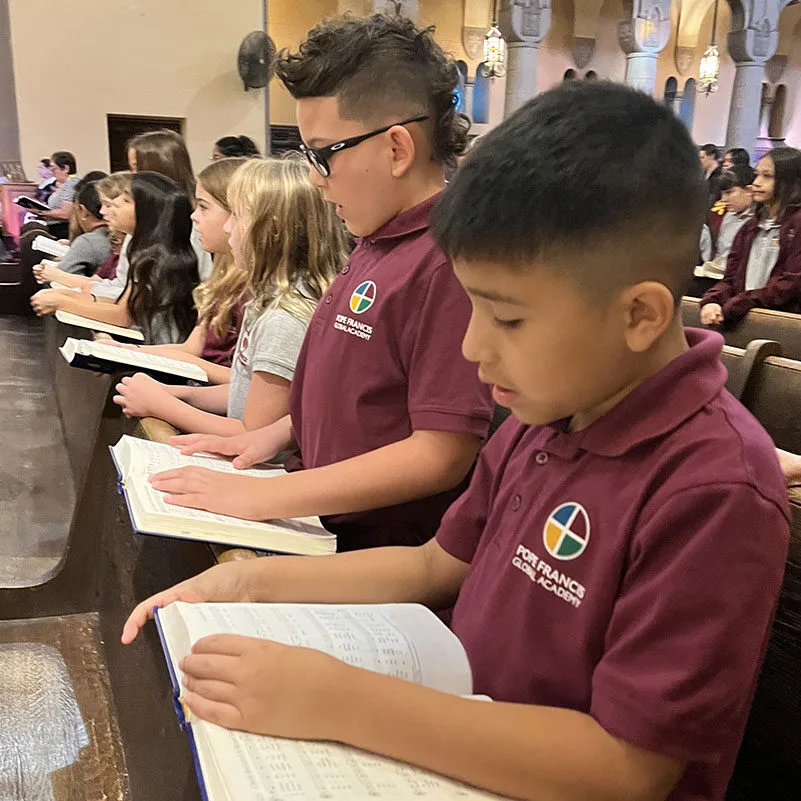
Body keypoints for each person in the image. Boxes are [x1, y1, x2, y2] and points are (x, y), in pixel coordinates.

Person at [122, 80, 789, 801]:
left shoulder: (714, 488)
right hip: (465, 734)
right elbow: (433, 564)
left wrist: (343, 702)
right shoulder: (545, 416)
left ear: (639, 316)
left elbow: (628, 767)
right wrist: (249, 583)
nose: (472, 348)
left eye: (507, 319)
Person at [147, 14, 493, 552]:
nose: (313, 176)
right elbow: (352, 395)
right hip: (317, 512)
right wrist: (267, 439)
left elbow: (441, 452)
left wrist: (267, 496)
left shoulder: (446, 263)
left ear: (397, 149)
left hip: (374, 548)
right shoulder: (374, 241)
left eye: (323, 153)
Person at [113, 156, 348, 435]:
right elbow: (242, 391)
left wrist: (162, 405)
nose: (227, 227)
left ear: (271, 229)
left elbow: (252, 434)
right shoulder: (265, 299)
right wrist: (174, 393)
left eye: (236, 216)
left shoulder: (284, 319)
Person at [31, 172, 199, 344]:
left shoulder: (156, 256)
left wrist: (62, 303)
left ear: (145, 210)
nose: (103, 211)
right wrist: (70, 295)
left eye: (123, 201)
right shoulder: (140, 245)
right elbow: (120, 295)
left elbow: (122, 316)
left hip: (157, 343)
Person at [700, 146, 801, 327]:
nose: (756, 183)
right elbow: (730, 279)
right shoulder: (749, 227)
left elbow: (792, 282)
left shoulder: (797, 224)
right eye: (757, 175)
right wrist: (712, 301)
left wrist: (743, 302)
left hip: (784, 324)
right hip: (746, 320)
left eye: (767, 176)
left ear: (790, 181)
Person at [124, 129, 213, 282]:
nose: (132, 176)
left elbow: (199, 280)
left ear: (158, 170)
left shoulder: (191, 220)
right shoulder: (146, 215)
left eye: (136, 168)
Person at [697, 164, 755, 283]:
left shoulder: (757, 222)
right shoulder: (728, 217)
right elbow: (720, 253)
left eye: (729, 193)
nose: (724, 199)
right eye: (723, 194)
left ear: (748, 191)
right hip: (718, 278)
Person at [40, 179, 111, 276]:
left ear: (83, 211)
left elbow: (62, 276)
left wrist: (49, 272)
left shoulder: (89, 240)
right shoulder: (120, 235)